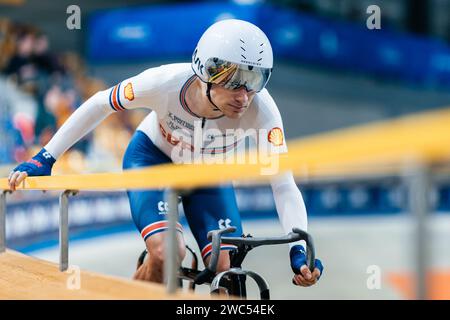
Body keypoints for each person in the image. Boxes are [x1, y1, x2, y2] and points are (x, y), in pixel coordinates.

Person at [8, 19, 323, 287]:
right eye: (234, 81)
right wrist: (46, 157)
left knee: (227, 270)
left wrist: (298, 246)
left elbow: (282, 184)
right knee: (167, 252)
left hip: (207, 174)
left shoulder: (263, 110)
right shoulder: (164, 82)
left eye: (255, 80)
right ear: (206, 71)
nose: (244, 96)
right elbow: (100, 103)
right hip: (152, 159)